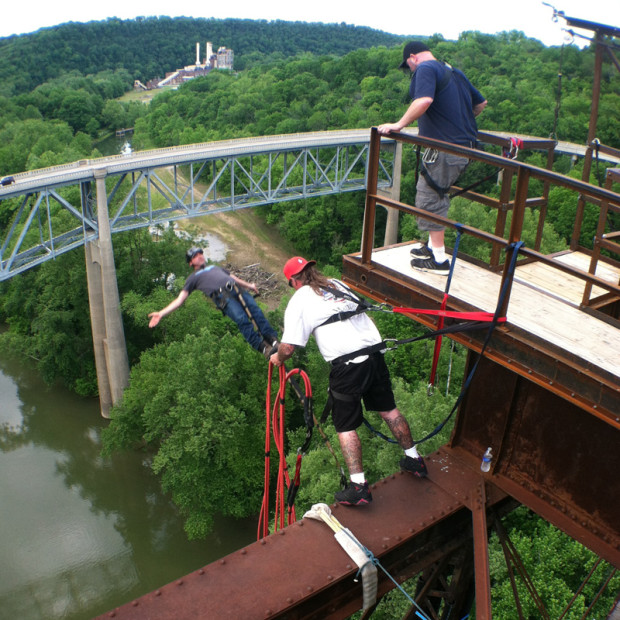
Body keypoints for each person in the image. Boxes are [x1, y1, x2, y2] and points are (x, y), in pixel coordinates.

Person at [270, 256, 427, 506]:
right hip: (375, 355)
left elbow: (288, 348)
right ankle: (414, 459)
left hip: (348, 365)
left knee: (345, 426)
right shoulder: (337, 285)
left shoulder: (300, 299)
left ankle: (359, 487)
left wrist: (277, 358)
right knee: (389, 409)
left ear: (293, 281)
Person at [378, 41, 487, 275]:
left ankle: (439, 261)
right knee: (436, 192)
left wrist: (398, 124)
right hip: (465, 147)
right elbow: (481, 104)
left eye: (408, 67)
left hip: (446, 150)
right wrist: (457, 122)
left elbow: (424, 100)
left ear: (412, 57)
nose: (411, 72)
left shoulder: (426, 69)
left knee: (429, 196)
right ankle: (431, 247)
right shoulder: (453, 71)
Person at [148, 247, 278, 357]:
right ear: (190, 263)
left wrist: (249, 285)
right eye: (195, 256)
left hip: (237, 289)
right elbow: (180, 300)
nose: (199, 257)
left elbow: (232, 277)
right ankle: (262, 347)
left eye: (200, 254)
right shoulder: (193, 278)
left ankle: (272, 339)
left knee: (256, 311)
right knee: (242, 319)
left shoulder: (214, 267)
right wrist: (161, 313)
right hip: (223, 297)